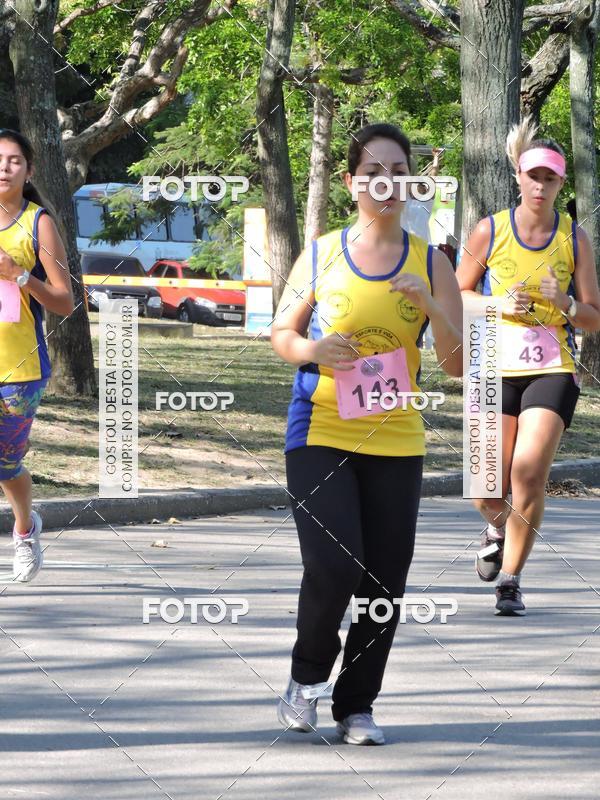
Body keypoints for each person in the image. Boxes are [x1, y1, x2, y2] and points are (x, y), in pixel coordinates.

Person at [271, 123, 462, 744]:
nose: (387, 180)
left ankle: (356, 706)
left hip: (396, 440)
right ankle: (304, 680)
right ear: (353, 183)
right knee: (334, 563)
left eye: (399, 169)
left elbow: (457, 362)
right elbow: (281, 334)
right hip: (320, 426)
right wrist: (313, 347)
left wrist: (432, 306)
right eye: (374, 169)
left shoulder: (431, 260)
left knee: (385, 581)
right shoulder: (323, 252)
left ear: (411, 181)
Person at [456, 117, 600, 616]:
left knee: (529, 472)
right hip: (493, 366)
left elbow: (594, 317)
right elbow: (457, 296)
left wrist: (564, 302)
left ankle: (511, 580)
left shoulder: (573, 238)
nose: (540, 186)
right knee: (486, 485)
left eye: (551, 178)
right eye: (533, 176)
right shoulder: (489, 230)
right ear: (518, 176)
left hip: (552, 367)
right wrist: (499, 305)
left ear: (562, 184)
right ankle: (495, 526)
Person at [0, 129, 74, 582]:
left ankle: (25, 528)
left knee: (5, 464)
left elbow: (65, 301)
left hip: (18, 368)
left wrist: (19, 274)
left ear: (28, 170)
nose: (3, 167)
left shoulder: (37, 222)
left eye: (13, 160)